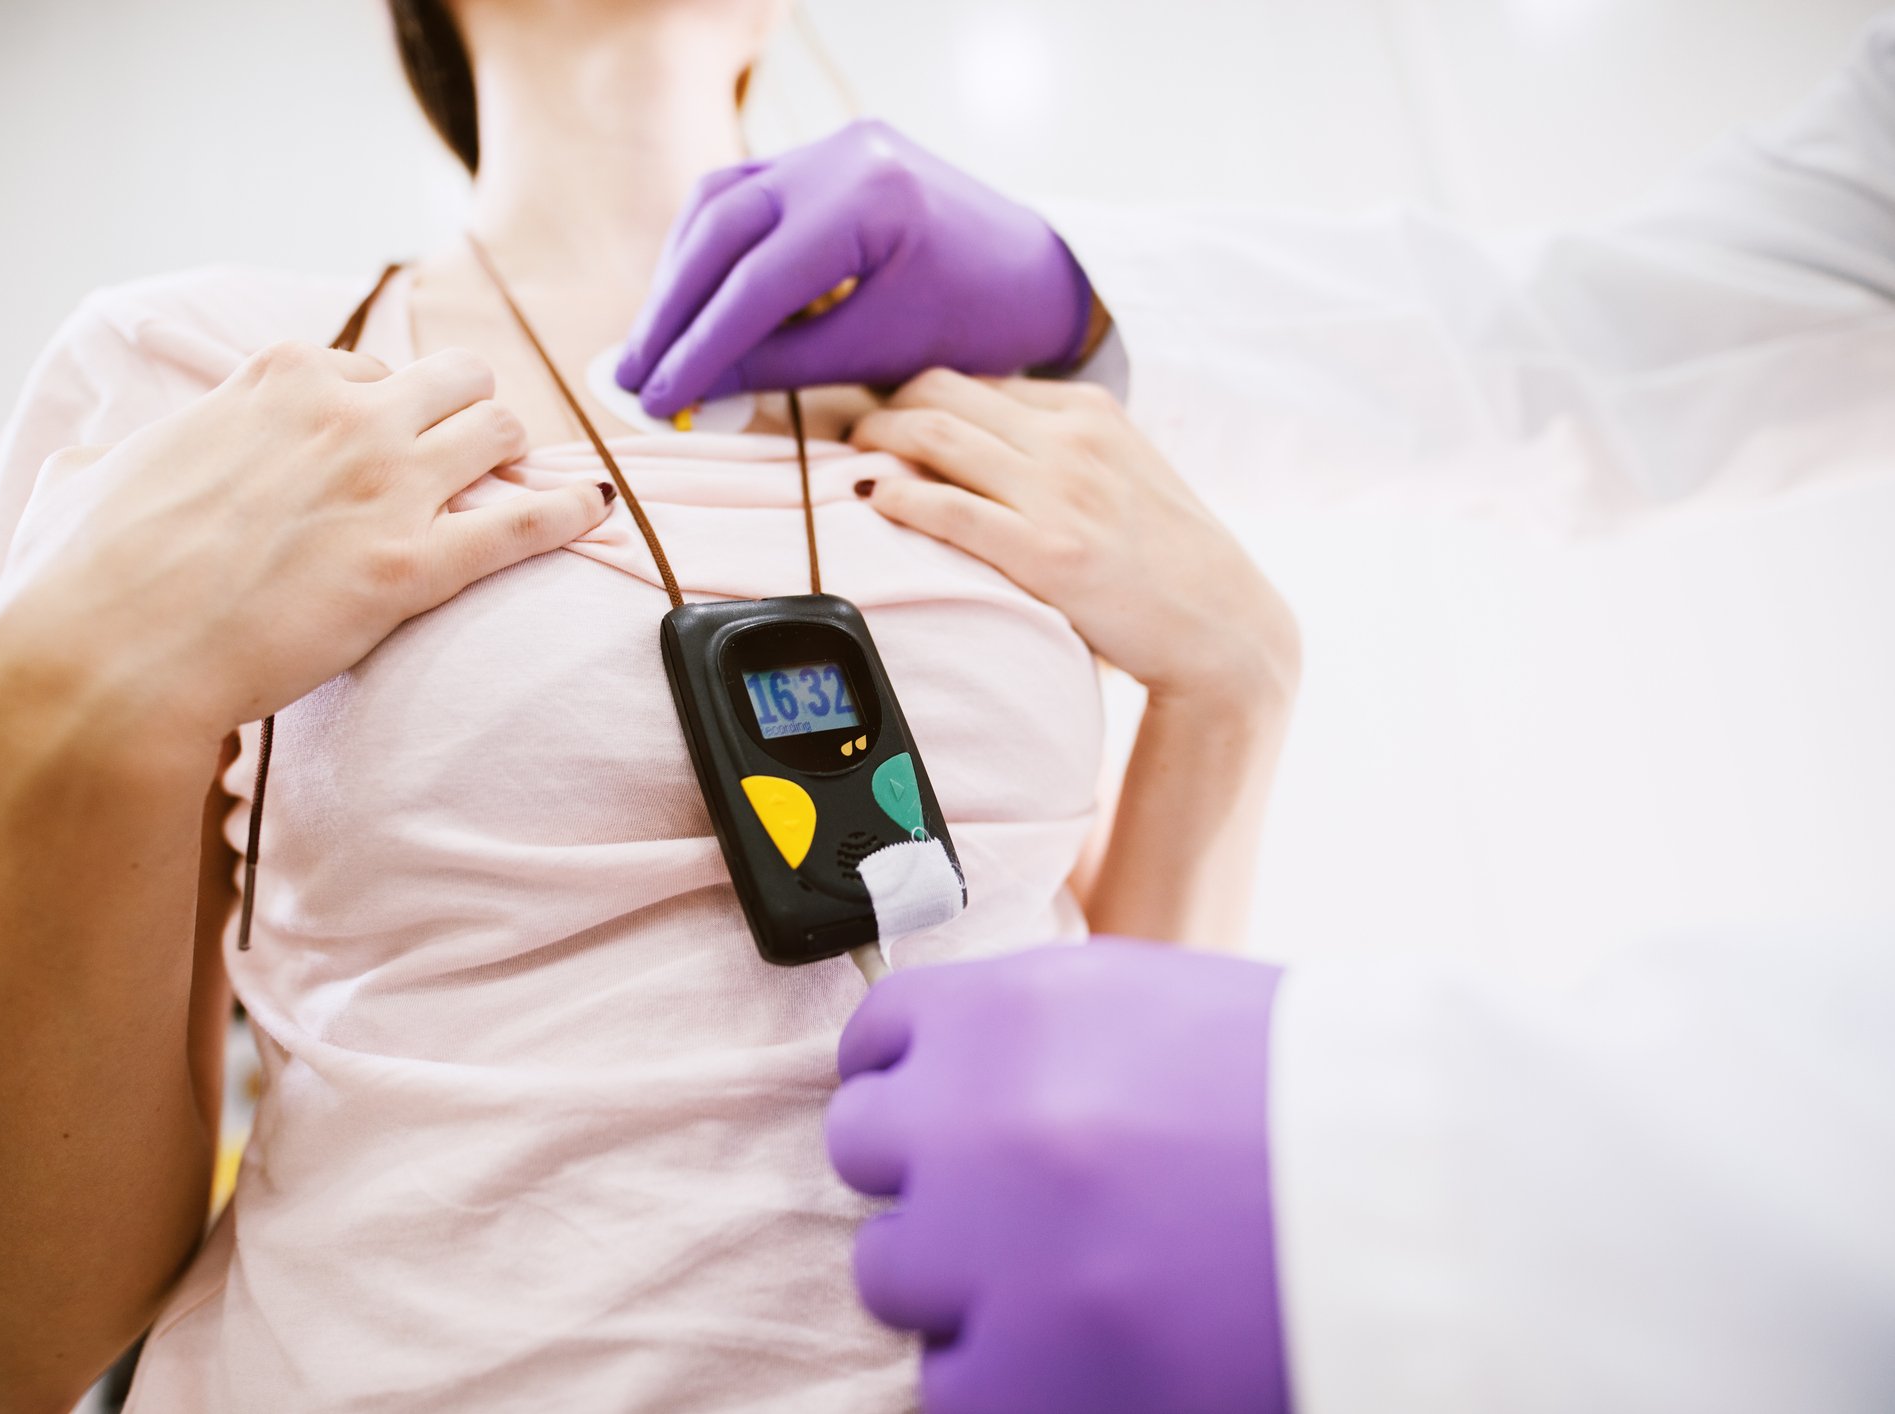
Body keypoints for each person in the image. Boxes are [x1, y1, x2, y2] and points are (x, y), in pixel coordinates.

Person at [0, 1, 1299, 1410]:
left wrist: (1239, 678)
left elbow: (1101, 1095)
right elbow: (1, 1336)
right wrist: (44, 713)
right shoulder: (208, 373)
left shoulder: (1013, 422)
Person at [615, 15, 1895, 1414]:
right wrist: (1094, 302)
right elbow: (1658, 312)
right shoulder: (339, 353)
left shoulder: (985, 430)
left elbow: (1103, 999)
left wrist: (1238, 674)